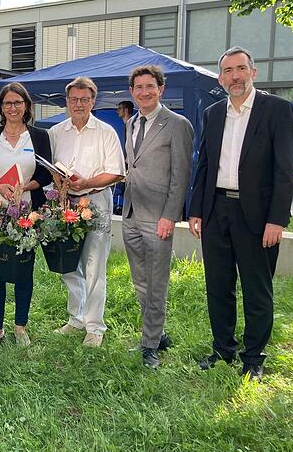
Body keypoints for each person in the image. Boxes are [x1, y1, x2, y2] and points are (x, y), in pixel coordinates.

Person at [188, 46, 293, 381]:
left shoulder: (276, 110)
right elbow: (204, 164)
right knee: (218, 286)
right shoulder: (213, 113)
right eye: (228, 71)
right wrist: (196, 209)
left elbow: (285, 169)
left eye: (240, 69)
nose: (235, 76)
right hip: (216, 210)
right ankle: (223, 350)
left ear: (253, 72)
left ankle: (253, 357)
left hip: (258, 215)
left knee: (256, 288)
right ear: (220, 78)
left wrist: (277, 219)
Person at [122, 65, 194, 368]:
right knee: (140, 280)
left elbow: (181, 175)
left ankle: (150, 345)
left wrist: (170, 216)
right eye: (138, 87)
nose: (144, 92)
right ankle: (158, 333)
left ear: (161, 89)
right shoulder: (131, 123)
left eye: (150, 86)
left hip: (158, 217)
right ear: (132, 92)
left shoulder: (177, 124)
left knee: (157, 283)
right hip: (131, 214)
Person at [49, 77, 125, 347]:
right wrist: (58, 183)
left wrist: (87, 183)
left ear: (93, 101)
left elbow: (116, 172)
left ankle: (95, 326)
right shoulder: (56, 132)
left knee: (94, 265)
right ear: (67, 101)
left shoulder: (106, 132)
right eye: (74, 99)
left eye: (84, 99)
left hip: (95, 200)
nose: (78, 104)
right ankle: (76, 318)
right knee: (68, 263)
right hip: (65, 203)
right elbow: (49, 167)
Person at [0, 82, 52, 347]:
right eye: (7, 103)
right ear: (0, 108)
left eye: (18, 102)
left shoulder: (39, 137)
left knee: (24, 272)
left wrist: (26, 187)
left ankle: (20, 327)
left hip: (28, 215)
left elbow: (46, 174)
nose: (12, 108)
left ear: (26, 106)